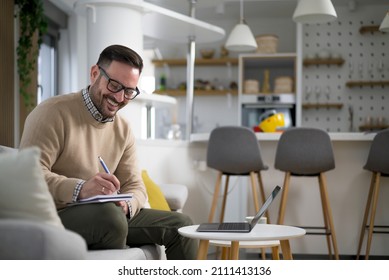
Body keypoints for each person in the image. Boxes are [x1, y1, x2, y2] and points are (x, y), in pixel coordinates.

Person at [19, 44, 197, 260]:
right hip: (54, 214)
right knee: (110, 218)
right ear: (95, 73)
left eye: (129, 91)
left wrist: (128, 204)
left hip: (110, 217)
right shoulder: (51, 113)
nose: (120, 98)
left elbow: (135, 185)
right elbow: (29, 175)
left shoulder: (123, 129)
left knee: (183, 226)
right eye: (114, 85)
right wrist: (81, 189)